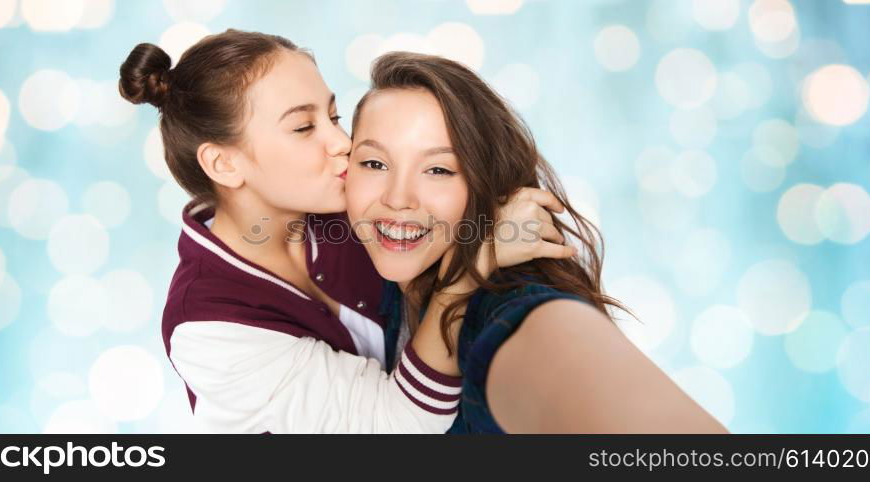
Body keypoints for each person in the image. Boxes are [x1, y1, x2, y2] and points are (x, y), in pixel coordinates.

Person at [118, 30, 574, 433]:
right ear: (224, 163)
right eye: (303, 127)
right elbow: (398, 427)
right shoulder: (209, 327)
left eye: (334, 118)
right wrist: (468, 273)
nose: (343, 144)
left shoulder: (346, 205)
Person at [346, 51, 730, 433]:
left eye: (439, 170)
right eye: (374, 164)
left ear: (485, 183)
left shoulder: (514, 310)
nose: (398, 198)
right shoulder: (364, 281)